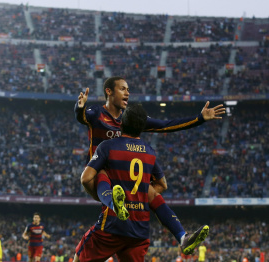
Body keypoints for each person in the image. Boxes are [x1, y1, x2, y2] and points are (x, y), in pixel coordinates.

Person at [74, 76, 223, 253]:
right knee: (103, 174)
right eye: (122, 89)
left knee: (149, 192)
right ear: (109, 91)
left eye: (128, 89)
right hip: (99, 172)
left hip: (124, 177)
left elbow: (166, 125)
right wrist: (80, 107)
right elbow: (82, 117)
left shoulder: (129, 119)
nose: (127, 93)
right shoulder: (97, 113)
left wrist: (200, 118)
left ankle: (183, 237)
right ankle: (115, 203)